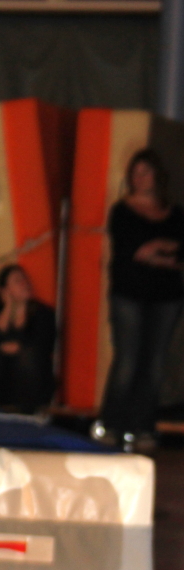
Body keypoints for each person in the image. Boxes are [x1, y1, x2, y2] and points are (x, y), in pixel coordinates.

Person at [93, 150, 184, 452]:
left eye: (145, 171)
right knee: (128, 360)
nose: (139, 177)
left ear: (157, 175)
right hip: (129, 294)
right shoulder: (122, 211)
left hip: (166, 297)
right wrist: (162, 250)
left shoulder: (175, 213)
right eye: (135, 172)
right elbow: (131, 253)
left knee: (155, 363)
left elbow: (177, 252)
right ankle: (111, 423)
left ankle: (142, 426)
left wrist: (157, 250)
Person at [0, 264, 56, 413]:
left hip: (29, 379)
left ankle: (28, 409)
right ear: (4, 290)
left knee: (28, 356)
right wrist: (9, 307)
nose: (24, 283)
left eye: (25, 279)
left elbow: (44, 344)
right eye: (17, 281)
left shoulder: (42, 312)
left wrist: (20, 347)